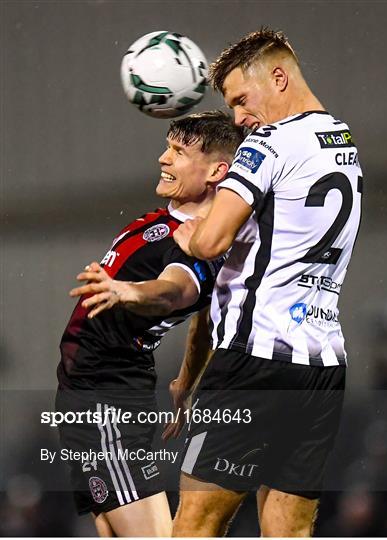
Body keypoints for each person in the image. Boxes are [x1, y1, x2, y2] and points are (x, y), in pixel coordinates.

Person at [172, 29, 363, 537]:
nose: (238, 118)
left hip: (253, 366)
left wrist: (188, 232)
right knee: (290, 532)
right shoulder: (341, 139)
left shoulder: (269, 143)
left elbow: (212, 241)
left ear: (278, 77)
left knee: (195, 526)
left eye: (240, 99)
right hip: (321, 367)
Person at [55, 111, 244, 537]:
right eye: (167, 146)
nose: (163, 158)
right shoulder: (173, 221)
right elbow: (206, 320)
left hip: (108, 401)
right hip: (89, 395)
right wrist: (186, 380)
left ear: (218, 170)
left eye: (178, 152)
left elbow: (176, 290)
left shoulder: (198, 242)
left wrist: (131, 291)